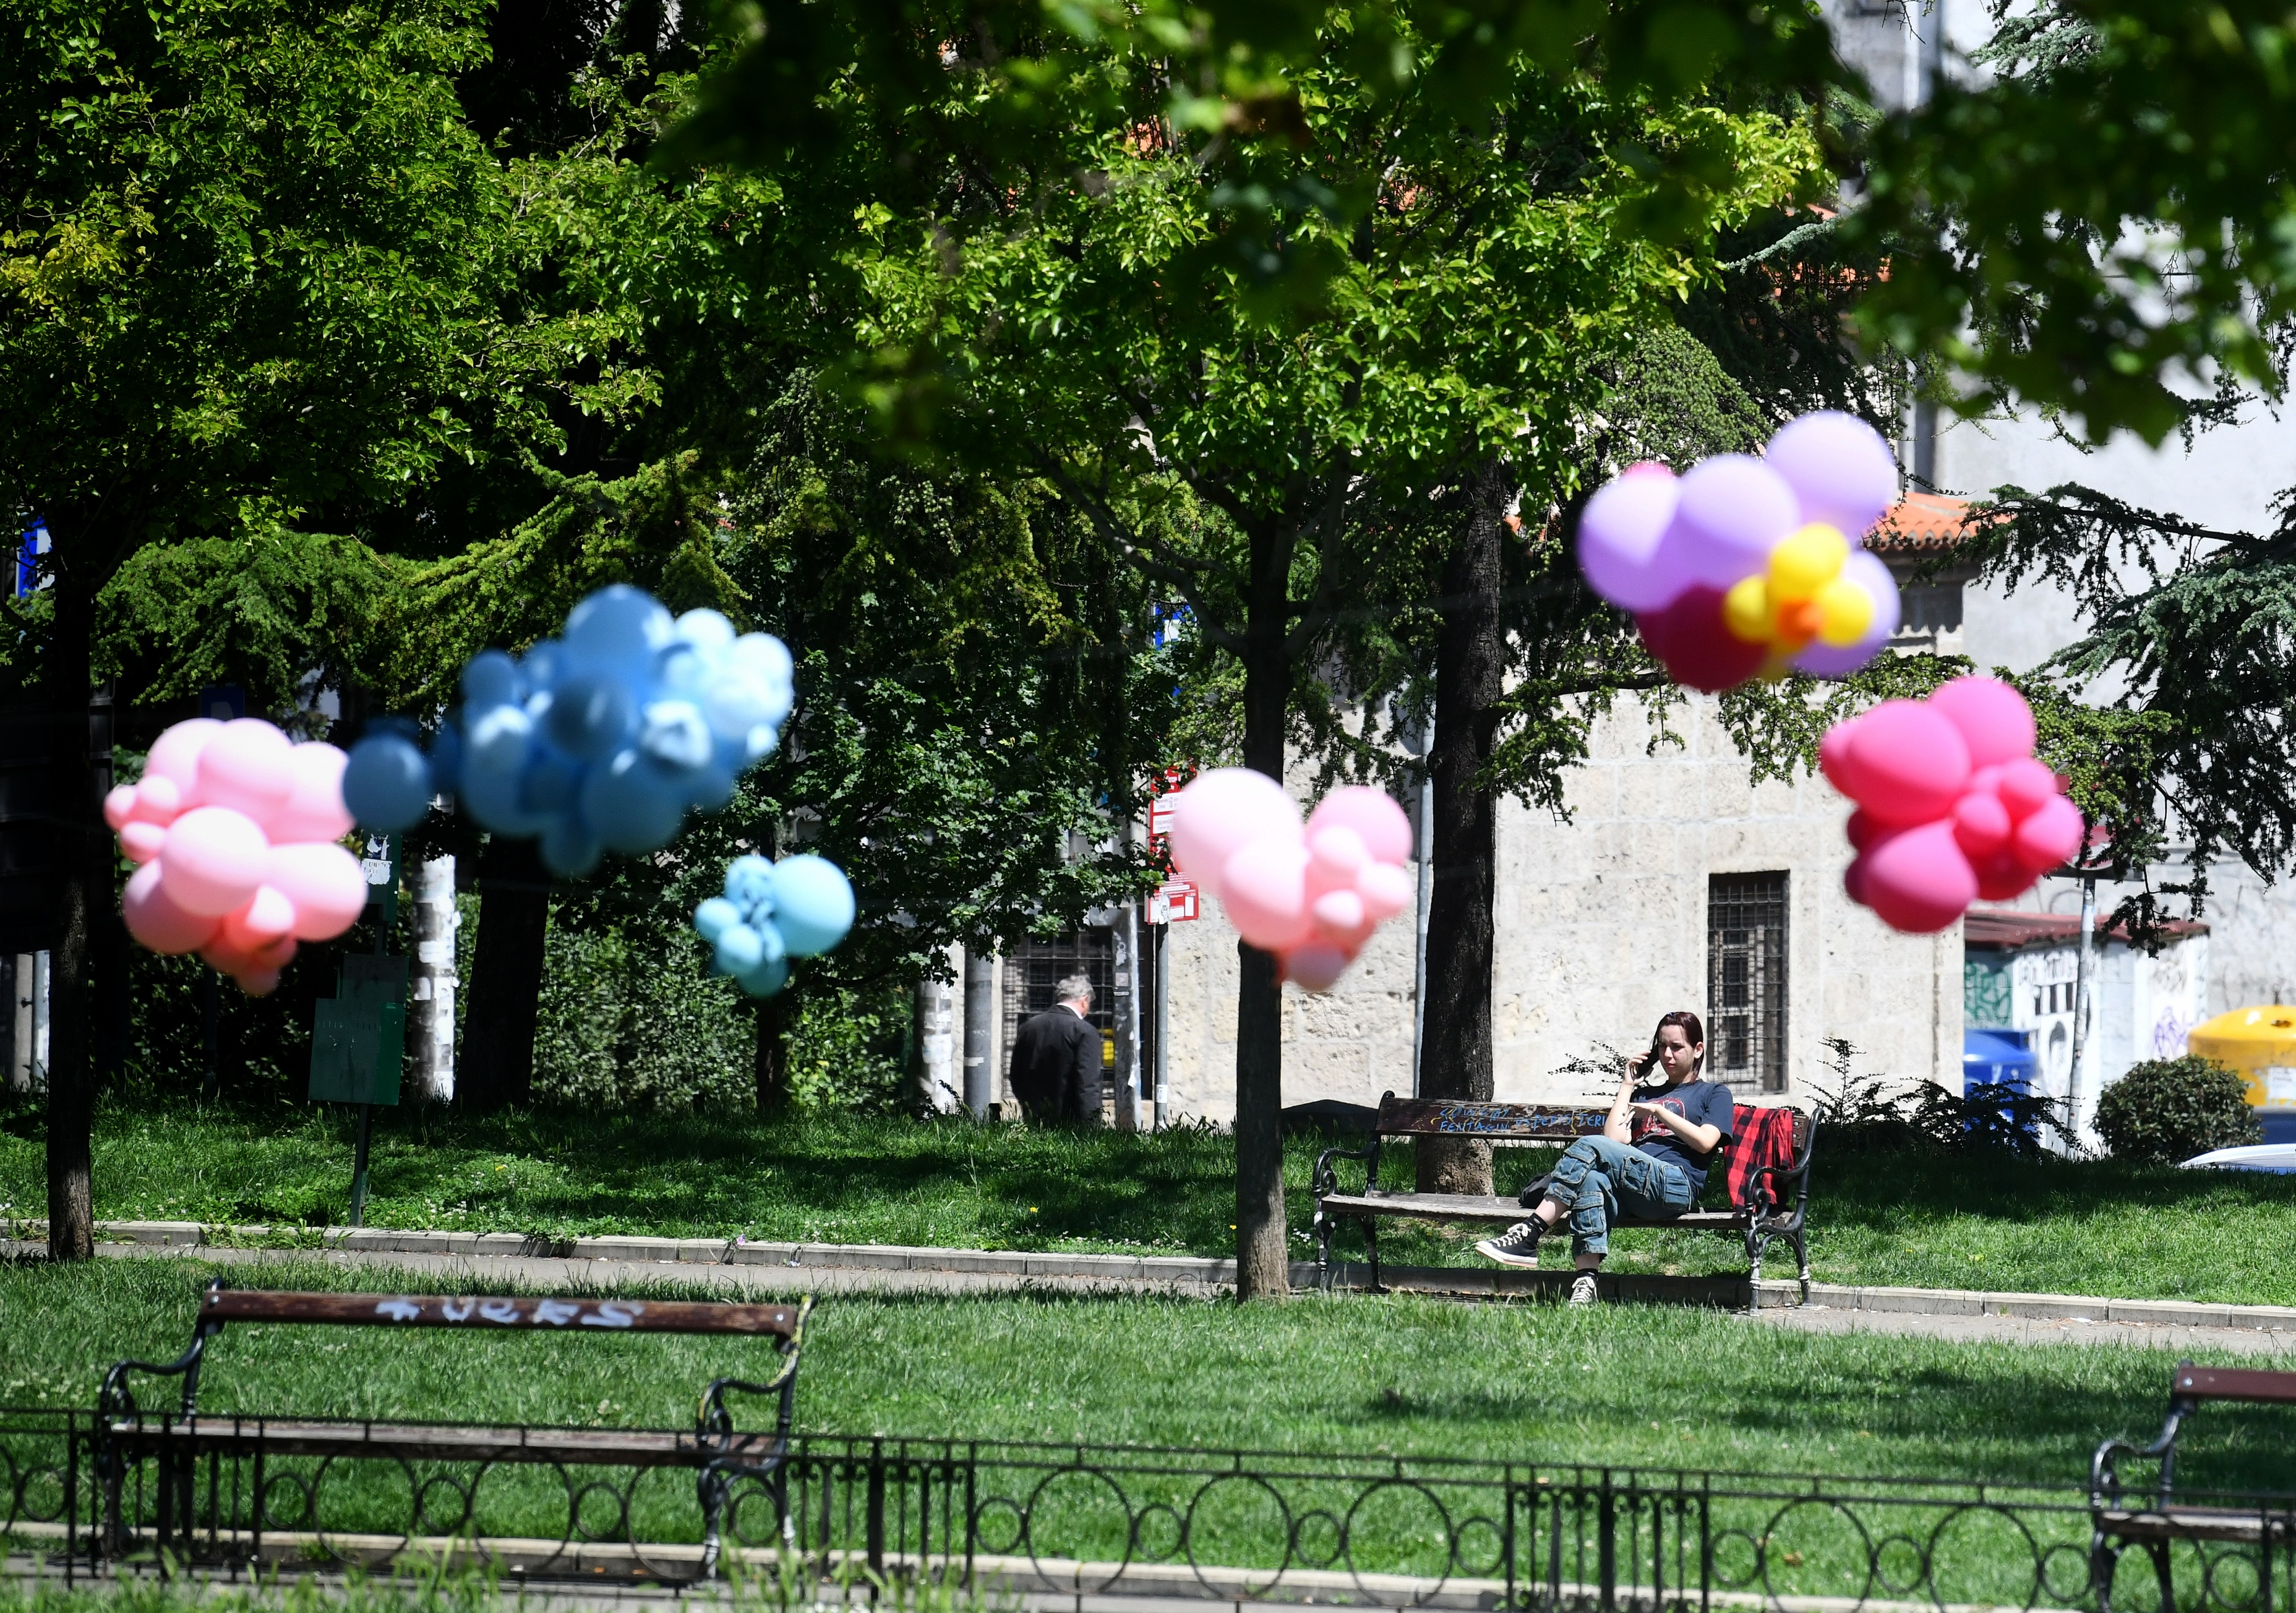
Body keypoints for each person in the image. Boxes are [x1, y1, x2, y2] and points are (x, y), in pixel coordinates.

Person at [1475, 1010, 1733, 1306]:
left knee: (1591, 1145)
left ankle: (1530, 1231)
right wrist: (1628, 1085)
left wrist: (1660, 1112)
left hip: (1676, 1185)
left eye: (1677, 1047)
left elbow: (1705, 1143)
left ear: (1698, 1049)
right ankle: (1586, 1282)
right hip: (1636, 1189)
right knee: (1593, 1180)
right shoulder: (1645, 1095)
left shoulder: (1714, 1093)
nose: (1667, 1055)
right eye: (1662, 1046)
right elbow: (1613, 1140)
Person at [1007, 973, 1099, 1124]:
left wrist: (1029, 1106)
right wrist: (1092, 1125)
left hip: (1035, 1120)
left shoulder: (1028, 1027)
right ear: (1085, 1000)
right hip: (1070, 1123)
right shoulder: (1084, 1031)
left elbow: (1016, 1075)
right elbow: (1087, 1084)